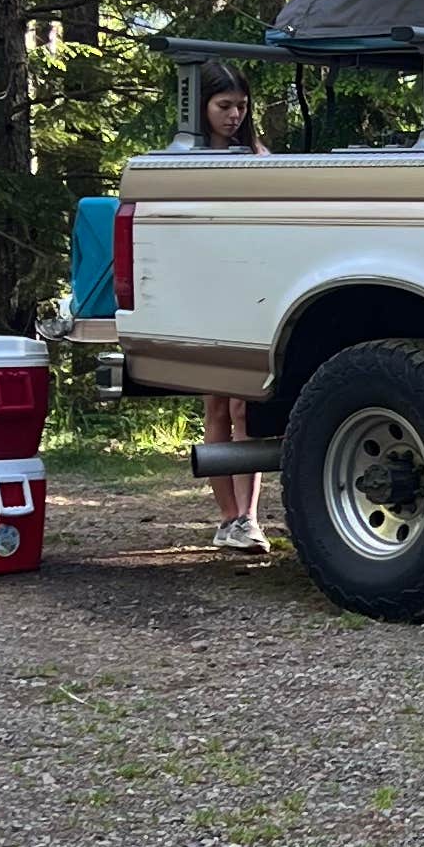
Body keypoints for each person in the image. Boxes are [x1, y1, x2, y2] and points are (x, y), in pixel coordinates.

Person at [197, 70, 272, 553]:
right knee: (216, 405)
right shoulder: (185, 158)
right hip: (207, 294)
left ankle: (249, 518)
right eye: (224, 105)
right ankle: (226, 516)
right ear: (203, 105)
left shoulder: (260, 157)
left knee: (247, 406)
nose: (234, 115)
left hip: (254, 294)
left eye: (241, 105)